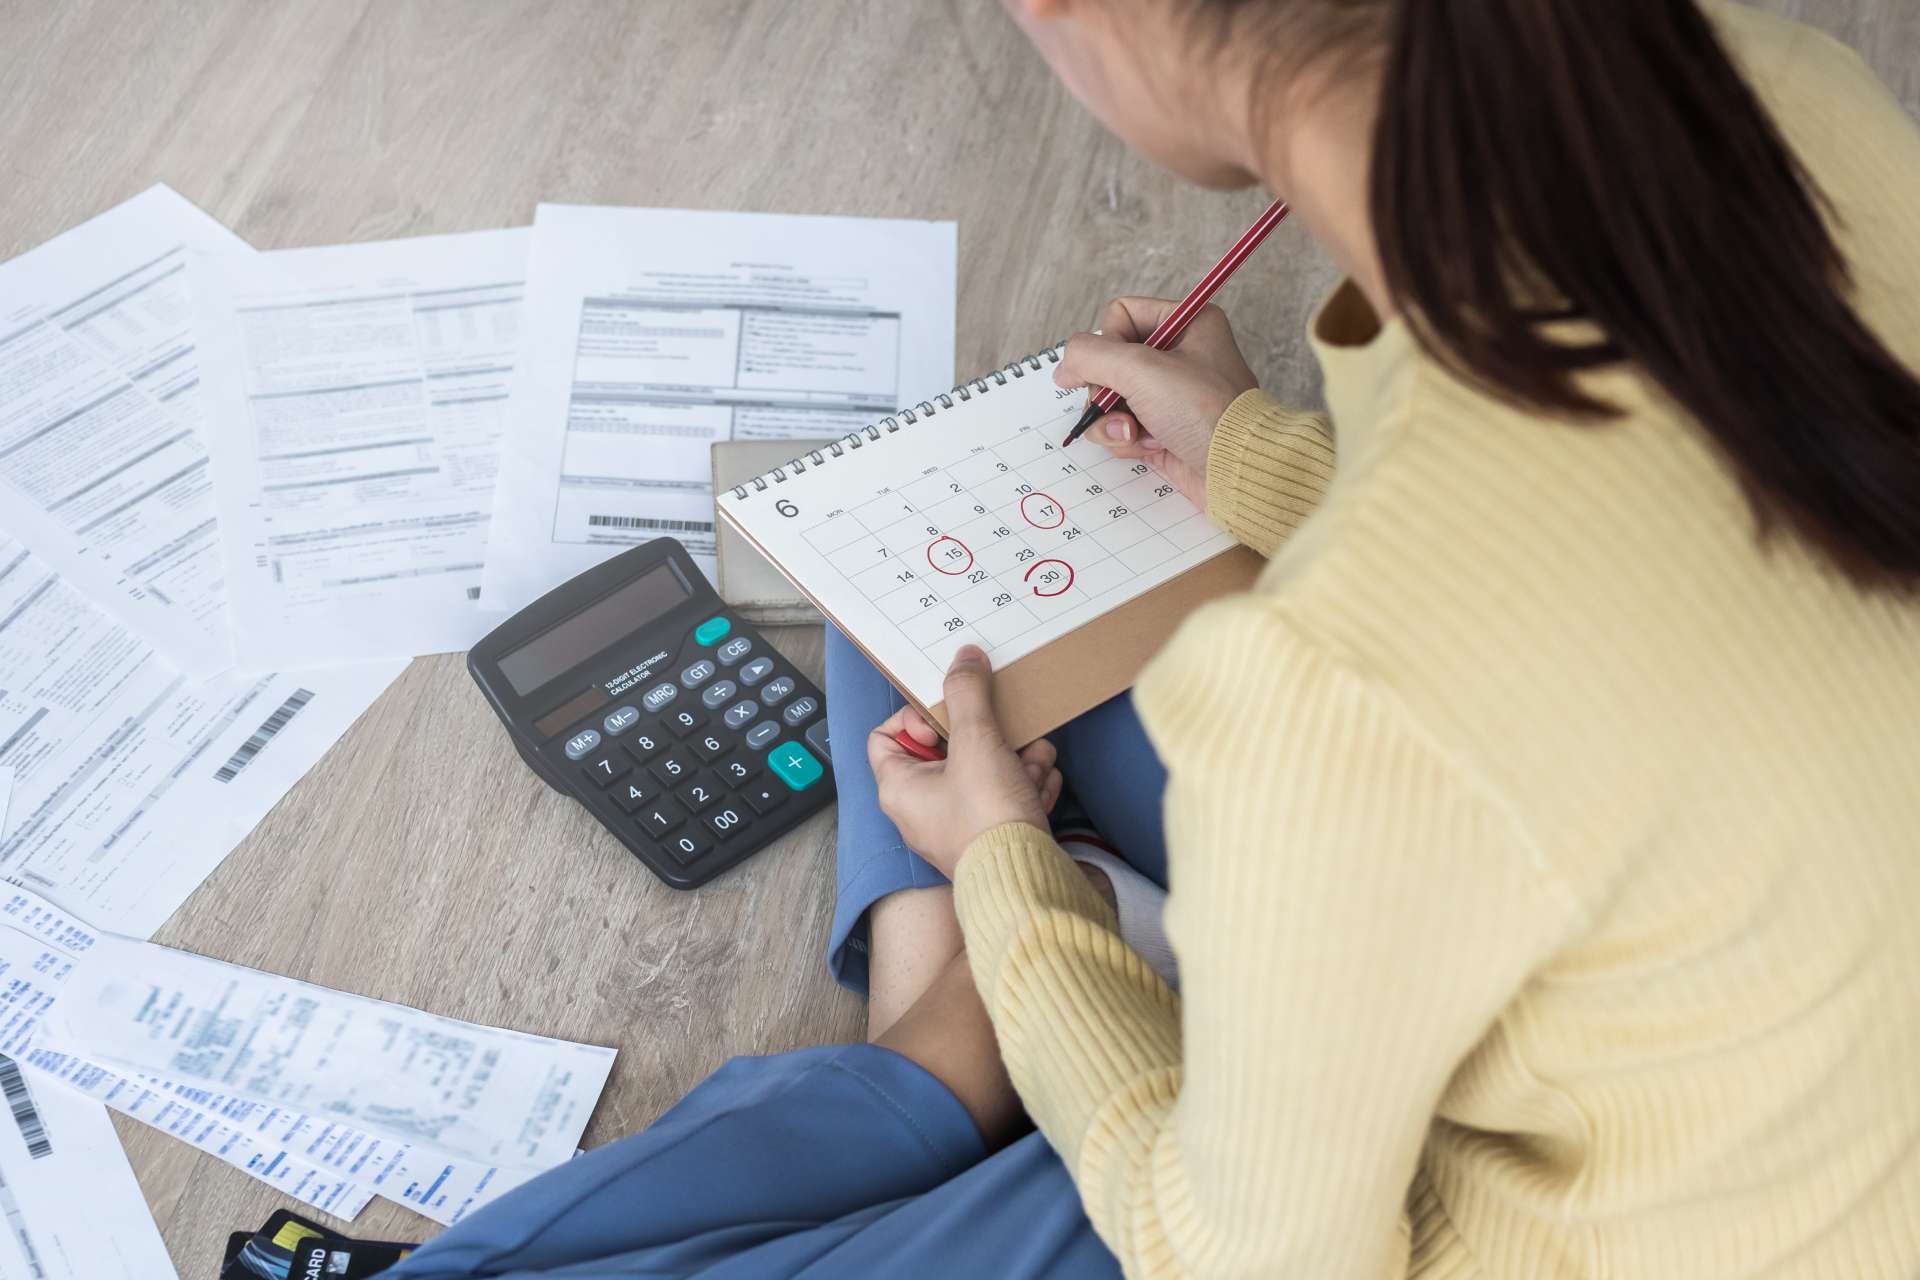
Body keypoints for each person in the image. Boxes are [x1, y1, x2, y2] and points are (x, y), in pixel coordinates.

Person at [390, 1, 1920, 1276]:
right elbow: (1631, 546)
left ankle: (967, 1023)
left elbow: (1239, 1259)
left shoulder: (1326, 695)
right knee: (919, 624)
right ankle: (957, 1032)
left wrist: (1012, 877)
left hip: (1567, 1218)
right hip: (1767, 1018)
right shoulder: (1765, 82)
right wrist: (1253, 453)